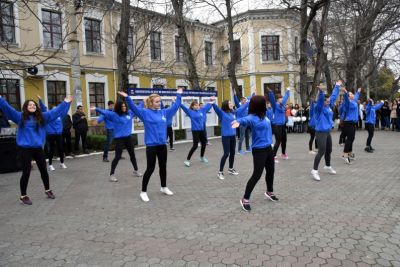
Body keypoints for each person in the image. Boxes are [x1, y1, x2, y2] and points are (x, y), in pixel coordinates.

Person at [0, 94, 72, 205]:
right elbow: (8, 109)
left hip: (38, 148)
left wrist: (66, 102)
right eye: (29, 104)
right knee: (26, 172)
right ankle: (23, 196)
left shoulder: (42, 117)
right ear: (26, 107)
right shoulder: (20, 116)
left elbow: (55, 112)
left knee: (43, 170)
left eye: (34, 105)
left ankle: (48, 190)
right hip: (25, 149)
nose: (32, 106)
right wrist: (1, 100)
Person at [120, 88, 183, 202]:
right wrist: (127, 98)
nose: (159, 103)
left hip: (162, 145)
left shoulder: (164, 112)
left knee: (163, 167)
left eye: (160, 101)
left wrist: (178, 95)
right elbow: (133, 108)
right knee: (150, 168)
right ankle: (143, 192)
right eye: (157, 102)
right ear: (151, 103)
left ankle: (164, 187)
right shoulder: (145, 113)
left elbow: (175, 106)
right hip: (151, 146)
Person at [231, 95, 276, 212]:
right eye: (264, 103)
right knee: (257, 174)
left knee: (271, 171)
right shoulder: (252, 118)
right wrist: (237, 122)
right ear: (259, 105)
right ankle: (245, 199)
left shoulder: (264, 116)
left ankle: (269, 192)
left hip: (268, 148)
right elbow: (244, 120)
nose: (266, 104)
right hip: (259, 150)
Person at [92, 99, 142, 182]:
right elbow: (104, 112)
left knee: (132, 155)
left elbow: (137, 108)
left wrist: (144, 101)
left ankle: (136, 170)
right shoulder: (114, 115)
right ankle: (112, 175)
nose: (124, 107)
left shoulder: (129, 113)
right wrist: (96, 109)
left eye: (125, 106)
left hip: (128, 138)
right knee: (117, 157)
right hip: (119, 139)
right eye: (122, 106)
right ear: (118, 107)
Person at [310, 81, 341, 181]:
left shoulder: (328, 106)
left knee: (329, 150)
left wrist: (337, 86)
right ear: (322, 101)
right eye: (326, 101)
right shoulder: (318, 108)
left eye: (328, 101)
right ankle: (314, 170)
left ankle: (327, 166)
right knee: (322, 151)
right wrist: (321, 93)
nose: (328, 103)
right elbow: (320, 101)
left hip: (327, 131)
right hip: (320, 132)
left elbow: (333, 96)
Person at [212, 98, 248, 180]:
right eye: (229, 103)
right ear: (226, 105)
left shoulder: (233, 113)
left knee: (232, 153)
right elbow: (216, 108)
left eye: (231, 103)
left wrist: (248, 102)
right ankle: (220, 172)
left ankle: (230, 169)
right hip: (226, 136)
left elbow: (242, 108)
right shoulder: (222, 113)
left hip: (233, 136)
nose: (231, 104)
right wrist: (213, 103)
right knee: (226, 154)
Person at [38, 97, 67, 171]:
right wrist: (40, 100)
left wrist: (69, 102)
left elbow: (65, 109)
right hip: (50, 134)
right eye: (54, 108)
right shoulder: (48, 115)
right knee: (51, 149)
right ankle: (50, 165)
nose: (56, 109)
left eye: (56, 108)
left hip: (59, 134)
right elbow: (43, 108)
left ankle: (62, 163)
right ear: (51, 110)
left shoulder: (59, 115)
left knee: (61, 148)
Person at [180, 99, 212, 166]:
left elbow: (208, 106)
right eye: (195, 105)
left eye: (197, 105)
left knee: (204, 144)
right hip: (195, 131)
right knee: (195, 145)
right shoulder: (190, 112)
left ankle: (202, 157)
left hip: (202, 130)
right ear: (192, 106)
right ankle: (187, 160)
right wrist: (177, 102)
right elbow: (183, 107)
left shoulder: (202, 110)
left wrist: (211, 100)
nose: (197, 106)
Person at [268, 88, 290, 163]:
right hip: (276, 125)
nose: (281, 99)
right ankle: (273, 156)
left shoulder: (282, 103)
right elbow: (271, 99)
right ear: (277, 99)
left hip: (283, 125)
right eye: (280, 98)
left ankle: (283, 154)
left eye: (281, 98)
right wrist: (271, 92)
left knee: (284, 140)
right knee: (278, 141)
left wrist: (288, 90)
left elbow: (286, 96)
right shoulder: (275, 105)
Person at [341, 88, 361, 164]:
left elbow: (356, 97)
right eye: (350, 94)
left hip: (352, 123)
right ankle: (345, 155)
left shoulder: (354, 101)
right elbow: (346, 98)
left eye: (352, 94)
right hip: (348, 123)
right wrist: (346, 92)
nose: (352, 95)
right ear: (348, 96)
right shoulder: (347, 102)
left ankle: (349, 153)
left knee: (352, 138)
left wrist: (358, 91)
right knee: (349, 139)